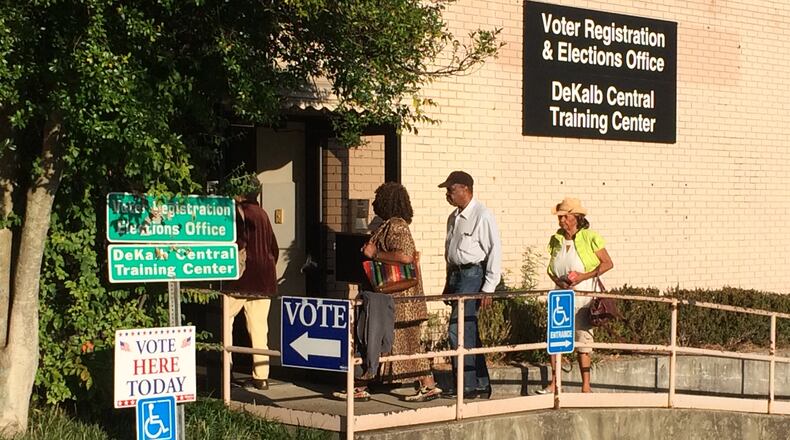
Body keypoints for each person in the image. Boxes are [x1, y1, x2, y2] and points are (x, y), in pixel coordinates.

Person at [339, 182, 442, 402]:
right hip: (393, 300)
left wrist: (374, 253)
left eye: (378, 199)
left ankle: (427, 385)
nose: (374, 203)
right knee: (379, 340)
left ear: (388, 202)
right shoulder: (390, 225)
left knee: (398, 342)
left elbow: (405, 256)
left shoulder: (397, 226)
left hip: (401, 301)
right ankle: (361, 385)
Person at [537, 197, 613, 394]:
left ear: (577, 217)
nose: (562, 221)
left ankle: (585, 385)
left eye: (565, 217)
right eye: (560, 217)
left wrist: (582, 276)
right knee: (555, 339)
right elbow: (550, 268)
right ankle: (555, 383)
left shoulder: (589, 237)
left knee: (583, 340)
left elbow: (607, 263)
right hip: (560, 297)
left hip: (582, 297)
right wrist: (558, 279)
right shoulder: (557, 239)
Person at [439, 171, 501, 399]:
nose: (448, 194)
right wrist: (448, 282)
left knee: (459, 329)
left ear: (465, 189)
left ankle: (466, 386)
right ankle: (481, 382)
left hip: (473, 274)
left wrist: (489, 287)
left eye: (451, 189)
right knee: (469, 330)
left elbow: (495, 249)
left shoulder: (482, 215)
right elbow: (450, 252)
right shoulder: (453, 218)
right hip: (457, 275)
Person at [220, 180, 279, 391]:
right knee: (259, 329)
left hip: (241, 278)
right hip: (264, 279)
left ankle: (226, 371)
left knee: (225, 323)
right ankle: (261, 376)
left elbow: (239, 243)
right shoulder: (262, 214)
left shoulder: (237, 212)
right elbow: (274, 246)